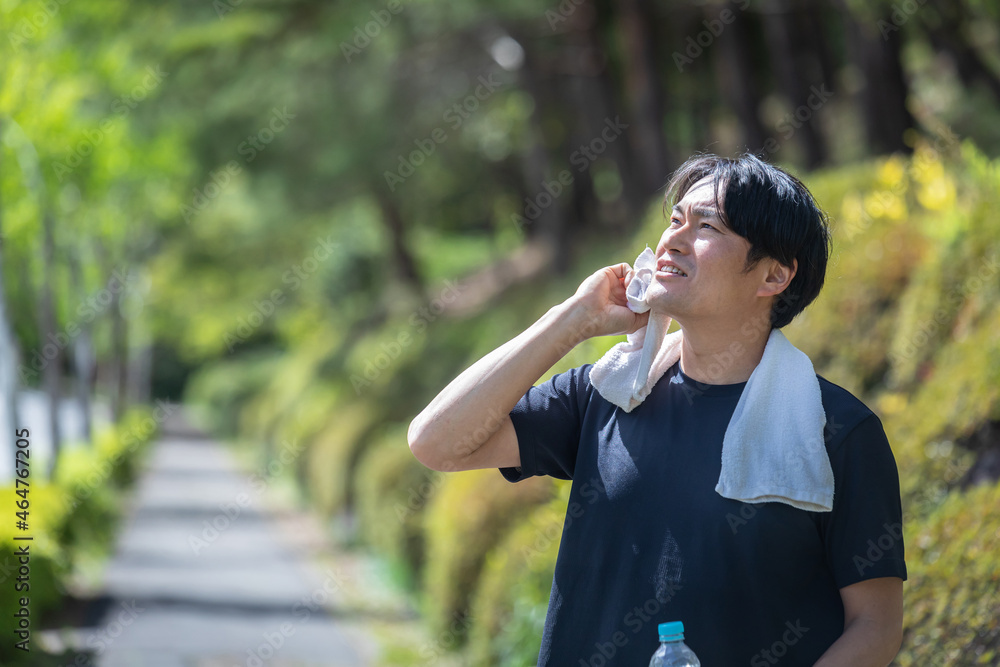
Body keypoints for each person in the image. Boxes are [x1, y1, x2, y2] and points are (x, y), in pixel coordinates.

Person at [407, 153, 906, 666]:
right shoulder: (608, 393)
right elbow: (436, 442)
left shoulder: (836, 431)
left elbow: (876, 625)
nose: (673, 239)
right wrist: (574, 319)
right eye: (675, 219)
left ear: (774, 275)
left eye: (707, 226)